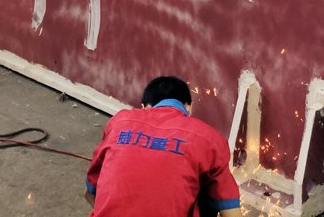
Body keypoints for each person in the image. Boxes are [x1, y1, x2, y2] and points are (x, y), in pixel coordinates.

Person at [85, 75, 241, 216]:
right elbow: (231, 211)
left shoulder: (119, 122)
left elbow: (90, 192)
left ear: (144, 106)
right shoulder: (208, 137)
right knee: (208, 187)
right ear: (189, 107)